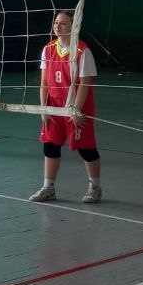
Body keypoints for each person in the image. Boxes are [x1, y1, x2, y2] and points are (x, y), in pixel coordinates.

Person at [30, 10, 102, 204]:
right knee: (50, 146)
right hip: (54, 107)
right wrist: (44, 109)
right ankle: (48, 188)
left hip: (77, 108)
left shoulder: (82, 51)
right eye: (56, 22)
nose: (57, 26)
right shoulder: (48, 49)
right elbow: (44, 83)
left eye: (63, 23)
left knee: (86, 149)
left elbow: (85, 84)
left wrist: (75, 110)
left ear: (73, 25)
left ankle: (95, 188)